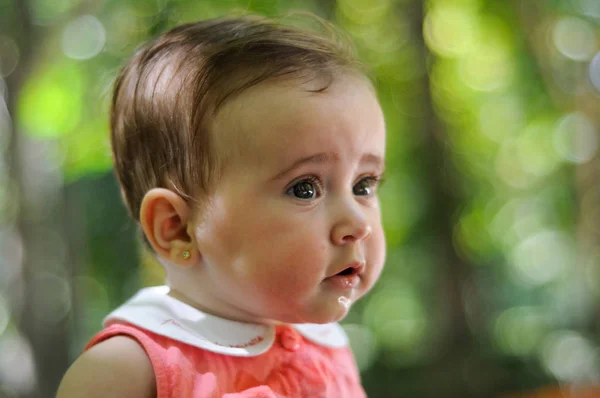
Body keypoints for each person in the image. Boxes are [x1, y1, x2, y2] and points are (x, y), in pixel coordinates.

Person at [57, 13, 387, 398]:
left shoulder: (327, 347)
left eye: (364, 185)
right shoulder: (123, 371)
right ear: (177, 228)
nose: (358, 223)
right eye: (304, 189)